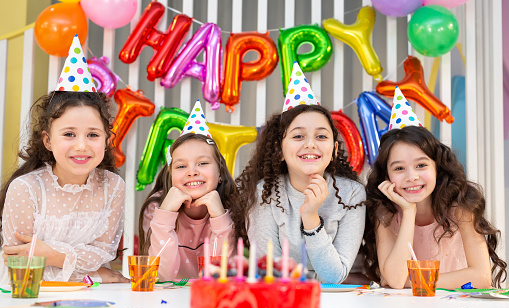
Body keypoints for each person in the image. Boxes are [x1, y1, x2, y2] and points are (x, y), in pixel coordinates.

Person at [0, 35, 127, 284]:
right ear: (48, 140)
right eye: (69, 134)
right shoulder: (26, 189)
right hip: (26, 295)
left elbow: (103, 254)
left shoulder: (113, 187)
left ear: (106, 140)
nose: (81, 146)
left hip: (88, 297)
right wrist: (92, 271)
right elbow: (20, 262)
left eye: (92, 134)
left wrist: (50, 254)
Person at [361, 87, 507, 289]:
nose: (412, 177)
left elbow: (481, 277)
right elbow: (395, 280)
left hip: (459, 306)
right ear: (387, 176)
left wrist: (411, 281)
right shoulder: (384, 212)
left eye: (421, 165)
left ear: (437, 168)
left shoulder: (462, 204)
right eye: (399, 168)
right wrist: (409, 212)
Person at [235, 63, 366, 284]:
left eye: (321, 136)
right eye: (298, 136)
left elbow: (334, 277)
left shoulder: (352, 194)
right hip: (284, 300)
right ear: (279, 151)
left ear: (334, 150)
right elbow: (271, 274)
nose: (310, 144)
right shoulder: (264, 193)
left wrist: (311, 217)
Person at [139, 100, 245, 281]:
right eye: (181, 166)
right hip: (168, 299)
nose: (192, 172)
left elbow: (222, 275)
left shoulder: (230, 207)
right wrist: (165, 215)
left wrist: (220, 219)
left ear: (219, 173)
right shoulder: (156, 207)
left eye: (202, 163)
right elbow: (160, 276)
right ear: (171, 175)